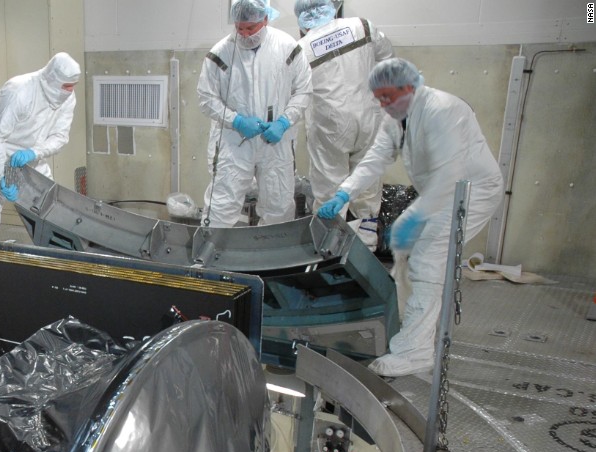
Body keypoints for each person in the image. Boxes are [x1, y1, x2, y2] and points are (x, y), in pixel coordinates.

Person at [317, 58, 504, 377]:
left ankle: (416, 352)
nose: (383, 105)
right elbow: (373, 160)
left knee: (428, 260)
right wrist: (343, 194)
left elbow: (449, 175)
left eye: (388, 97)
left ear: (410, 86)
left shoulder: (444, 110)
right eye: (379, 99)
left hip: (471, 192)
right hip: (438, 193)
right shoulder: (395, 118)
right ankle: (405, 326)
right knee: (408, 259)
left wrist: (411, 220)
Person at [197, 0, 312, 227]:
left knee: (278, 205)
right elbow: (206, 98)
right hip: (233, 141)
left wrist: (284, 121)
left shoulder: (287, 47)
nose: (245, 34)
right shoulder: (220, 54)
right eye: (240, 28)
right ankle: (209, 258)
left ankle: (273, 258)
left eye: (251, 28)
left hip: (276, 142)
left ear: (265, 19)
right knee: (221, 205)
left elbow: (303, 90)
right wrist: (236, 120)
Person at [295, 0, 392, 229]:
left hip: (329, 126)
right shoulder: (362, 26)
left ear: (303, 19)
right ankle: (366, 244)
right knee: (366, 180)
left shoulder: (301, 48)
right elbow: (387, 60)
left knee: (330, 186)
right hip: (369, 118)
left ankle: (330, 249)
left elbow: (295, 93)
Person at [0, 52, 81, 240]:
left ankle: (53, 261)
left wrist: (34, 153)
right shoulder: (18, 90)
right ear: (53, 79)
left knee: (48, 204)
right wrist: (2, 175)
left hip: (30, 154)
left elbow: (60, 137)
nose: (70, 91)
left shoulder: (68, 98)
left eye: (73, 86)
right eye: (66, 86)